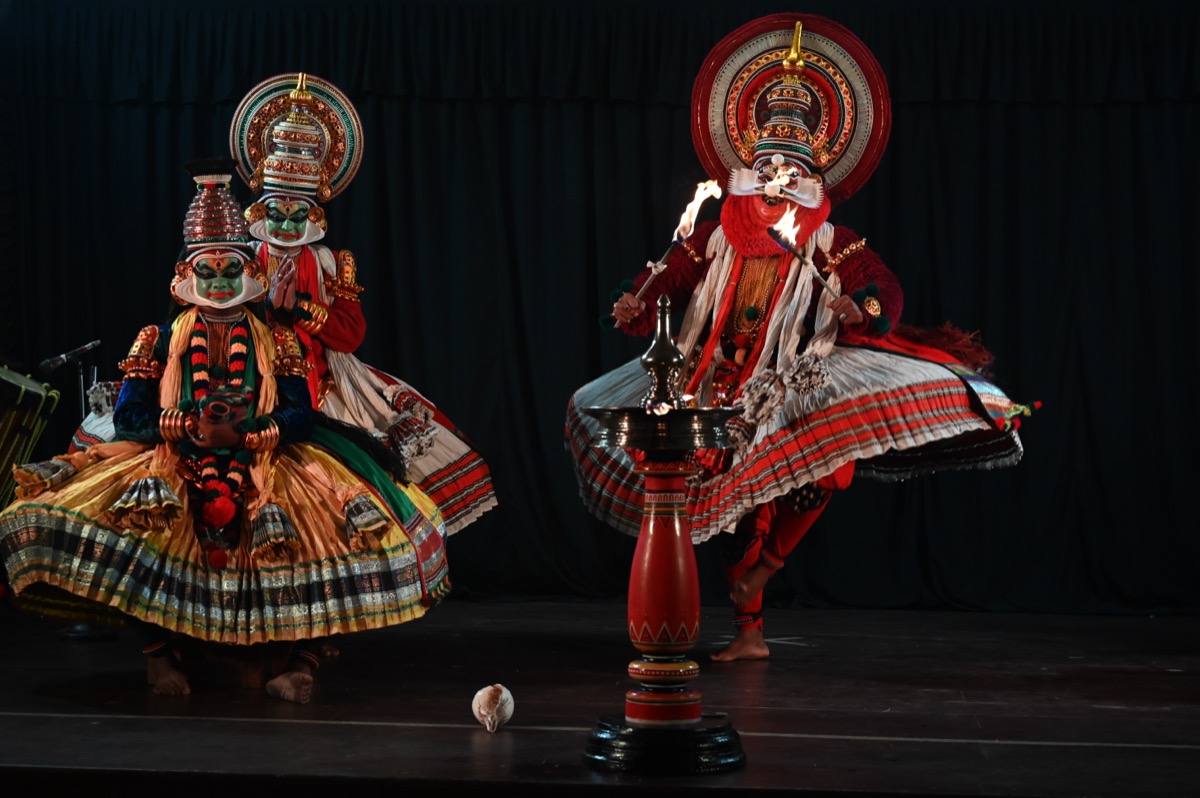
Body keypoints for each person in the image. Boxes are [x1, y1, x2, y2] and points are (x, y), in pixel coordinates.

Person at [566, 16, 1036, 661]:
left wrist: (859, 306)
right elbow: (663, 287)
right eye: (765, 169)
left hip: (792, 372)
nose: (775, 182)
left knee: (821, 474)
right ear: (746, 173)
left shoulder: (832, 241)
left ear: (810, 179)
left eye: (789, 171)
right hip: (714, 378)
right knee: (731, 503)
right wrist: (635, 307)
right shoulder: (712, 236)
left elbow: (883, 289)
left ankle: (762, 577)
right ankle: (748, 629)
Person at [0, 161, 451, 701]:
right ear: (185, 277)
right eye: (208, 273)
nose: (218, 283)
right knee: (141, 528)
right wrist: (185, 426)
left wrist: (249, 434)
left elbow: (300, 413)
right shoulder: (157, 338)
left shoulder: (277, 338)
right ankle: (160, 656)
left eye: (229, 272)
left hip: (259, 456)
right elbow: (129, 418)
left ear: (250, 274)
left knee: (323, 540)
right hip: (176, 454)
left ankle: (299, 663)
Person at [230, 72, 497, 536]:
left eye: (297, 214)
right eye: (277, 213)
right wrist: (267, 310)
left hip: (324, 381)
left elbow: (351, 334)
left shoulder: (333, 263)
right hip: (249, 377)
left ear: (314, 213)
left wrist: (300, 310)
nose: (287, 226)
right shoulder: (241, 260)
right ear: (259, 211)